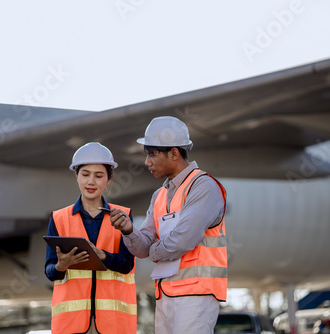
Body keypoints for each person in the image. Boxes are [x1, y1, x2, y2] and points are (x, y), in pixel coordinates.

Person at [111, 116, 228, 334]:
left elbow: (181, 241)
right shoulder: (159, 195)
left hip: (195, 296)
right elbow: (142, 248)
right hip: (166, 295)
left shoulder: (204, 186)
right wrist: (128, 230)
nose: (147, 162)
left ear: (174, 153)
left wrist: (153, 251)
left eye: (152, 154)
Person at [44, 142, 137, 334]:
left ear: (109, 179)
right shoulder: (59, 218)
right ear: (76, 176)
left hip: (113, 323)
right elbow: (50, 271)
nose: (91, 181)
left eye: (99, 175)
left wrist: (102, 255)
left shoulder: (123, 217)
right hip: (72, 323)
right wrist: (61, 265)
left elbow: (128, 264)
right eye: (85, 174)